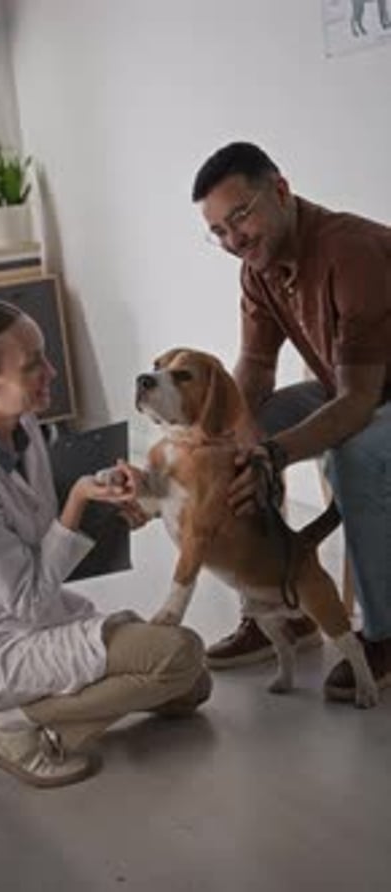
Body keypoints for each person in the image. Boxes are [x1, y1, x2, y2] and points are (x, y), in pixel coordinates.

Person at [0, 298, 210, 788]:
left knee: (194, 686)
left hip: (34, 615)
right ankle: (8, 724)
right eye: (32, 366)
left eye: (43, 355)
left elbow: (39, 522)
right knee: (180, 656)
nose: (52, 371)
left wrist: (109, 492)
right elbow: (24, 601)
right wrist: (79, 501)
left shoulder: (22, 427)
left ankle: (52, 706)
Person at [191, 141, 391, 702]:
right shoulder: (258, 269)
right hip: (353, 389)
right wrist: (217, 433)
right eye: (220, 232)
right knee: (234, 436)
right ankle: (281, 606)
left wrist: (274, 452)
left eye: (241, 217)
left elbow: (357, 403)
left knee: (353, 453)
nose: (234, 240)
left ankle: (383, 635)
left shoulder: (350, 250)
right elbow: (254, 370)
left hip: (371, 393)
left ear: (280, 191)